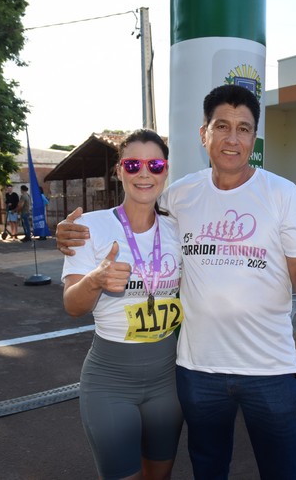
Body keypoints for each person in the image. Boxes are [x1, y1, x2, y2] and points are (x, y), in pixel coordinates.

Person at [56, 84, 296, 479]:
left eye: (243, 128)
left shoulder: (282, 194)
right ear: (203, 133)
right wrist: (69, 233)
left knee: (285, 470)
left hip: (270, 368)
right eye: (222, 126)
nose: (232, 139)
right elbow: (137, 213)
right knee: (207, 469)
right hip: (196, 370)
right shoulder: (182, 196)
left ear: (253, 137)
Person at [62, 129, 184, 480]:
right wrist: (95, 281)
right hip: (109, 380)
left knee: (159, 475)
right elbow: (73, 305)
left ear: (165, 170)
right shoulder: (90, 227)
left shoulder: (177, 228)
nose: (144, 173)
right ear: (119, 171)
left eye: (155, 164)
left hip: (166, 378)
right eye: (133, 164)